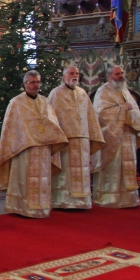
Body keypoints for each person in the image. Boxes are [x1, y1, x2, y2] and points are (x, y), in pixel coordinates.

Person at [0, 71, 68, 218]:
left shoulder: (45, 101)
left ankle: (42, 206)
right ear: (25, 84)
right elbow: (11, 128)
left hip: (43, 149)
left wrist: (50, 136)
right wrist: (27, 137)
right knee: (24, 178)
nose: (35, 85)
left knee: (42, 179)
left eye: (37, 82)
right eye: (32, 82)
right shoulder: (16, 102)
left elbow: (52, 122)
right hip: (24, 148)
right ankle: (22, 207)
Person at [47, 66, 105, 209]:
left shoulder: (83, 93)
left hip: (83, 139)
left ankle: (82, 201)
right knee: (66, 171)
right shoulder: (56, 93)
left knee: (82, 169)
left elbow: (90, 116)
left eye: (77, 73)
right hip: (65, 140)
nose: (75, 76)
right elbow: (50, 117)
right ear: (64, 76)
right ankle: (62, 200)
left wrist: (94, 135)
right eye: (71, 73)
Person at [91, 66, 140, 208]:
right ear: (110, 76)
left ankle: (128, 198)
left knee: (128, 166)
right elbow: (101, 114)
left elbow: (134, 110)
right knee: (114, 166)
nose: (121, 76)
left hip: (127, 135)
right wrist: (123, 109)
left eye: (122, 73)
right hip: (112, 136)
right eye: (117, 74)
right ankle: (108, 197)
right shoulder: (102, 91)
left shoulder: (125, 90)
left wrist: (128, 111)